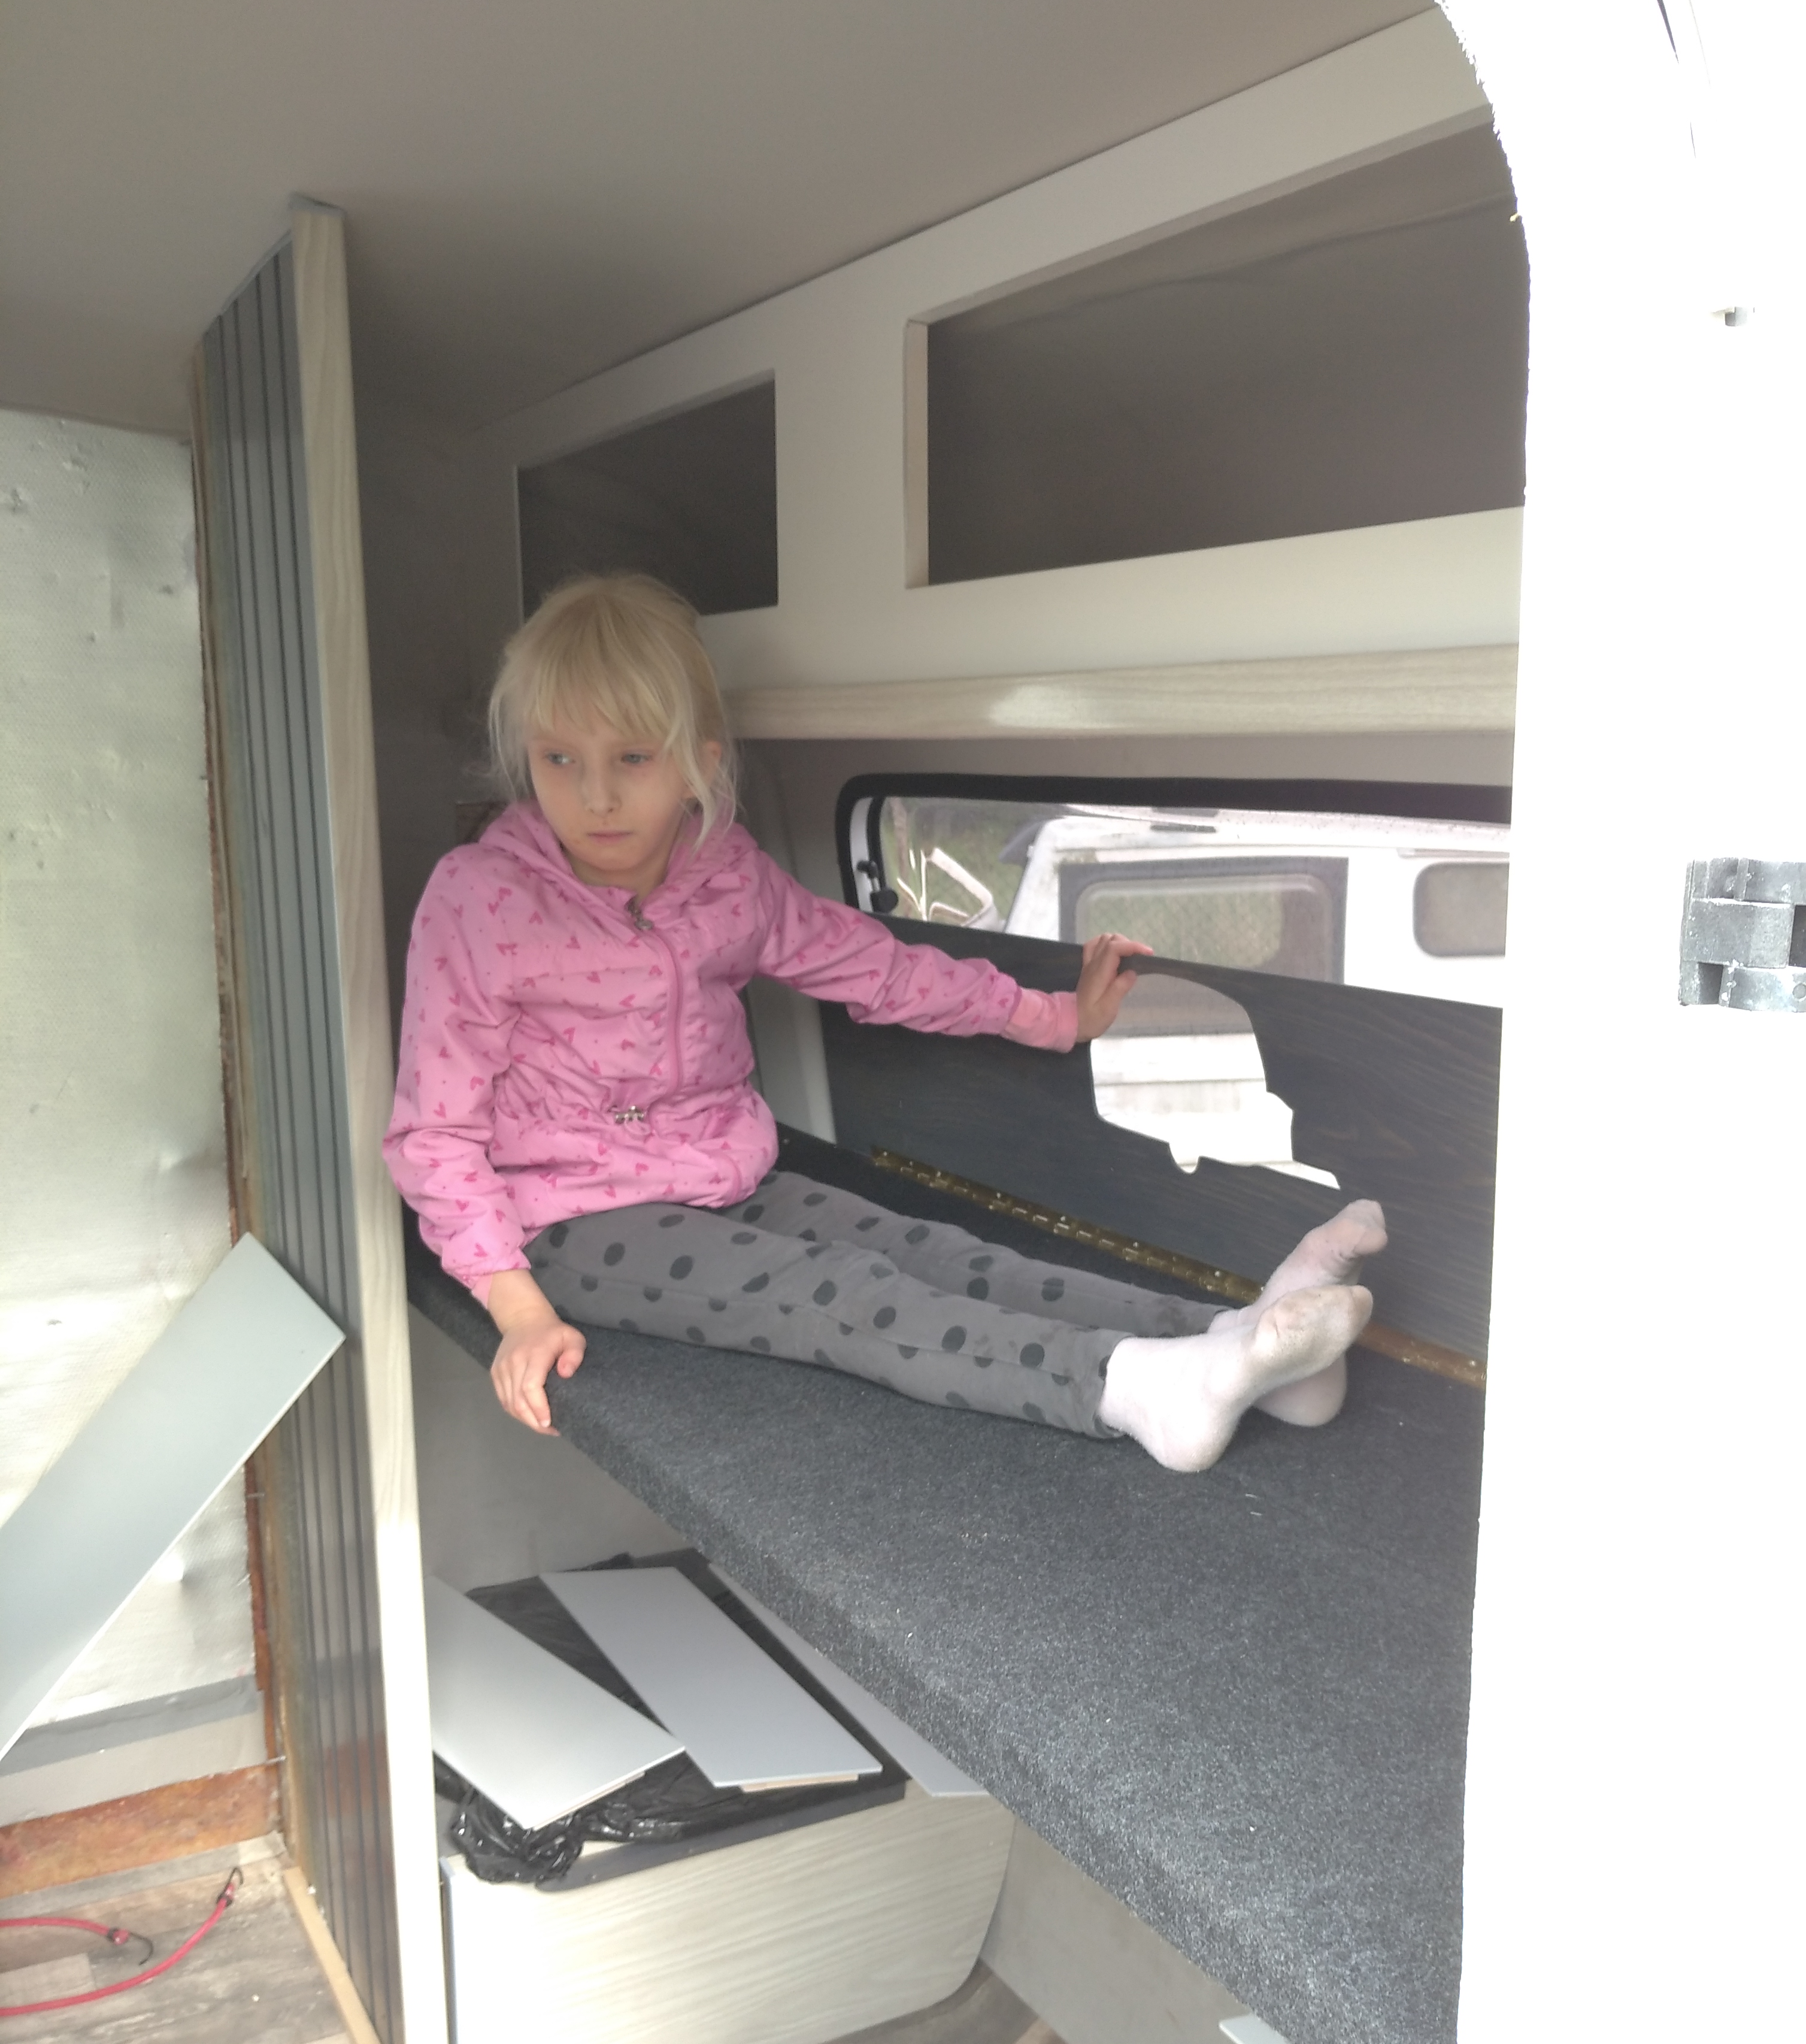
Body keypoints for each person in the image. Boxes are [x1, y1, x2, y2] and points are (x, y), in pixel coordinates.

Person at [384, 574, 1384, 1473]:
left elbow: (877, 968)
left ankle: (1245, 1340)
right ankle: (1131, 1390)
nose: (594, 795)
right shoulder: (481, 900)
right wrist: (517, 1307)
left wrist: (1052, 1017)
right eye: (559, 758)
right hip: (564, 1222)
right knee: (837, 1295)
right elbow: (434, 1133)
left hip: (726, 1175)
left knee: (935, 1253)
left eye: (632, 758)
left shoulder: (725, 878)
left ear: (697, 764)